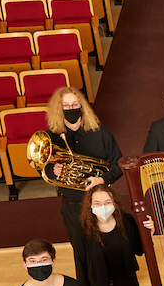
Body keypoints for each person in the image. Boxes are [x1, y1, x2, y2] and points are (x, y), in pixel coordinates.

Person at [43, 86, 123, 248]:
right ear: (58, 109)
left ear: (82, 106)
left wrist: (102, 179)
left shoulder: (100, 133)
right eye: (65, 106)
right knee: (81, 249)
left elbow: (119, 164)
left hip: (102, 205)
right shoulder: (51, 138)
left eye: (75, 104)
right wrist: (53, 171)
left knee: (108, 246)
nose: (71, 109)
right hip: (72, 206)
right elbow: (42, 167)